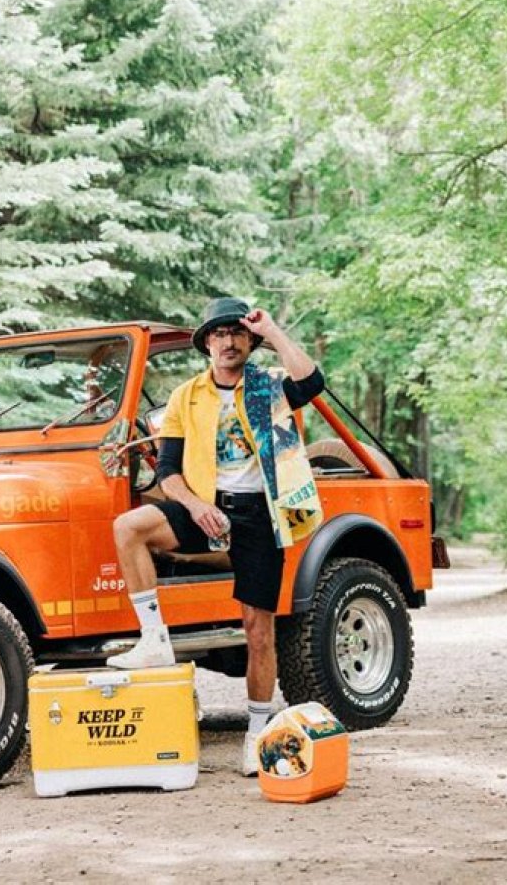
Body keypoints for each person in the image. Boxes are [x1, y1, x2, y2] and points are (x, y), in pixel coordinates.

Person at [107, 297, 325, 776]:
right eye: (219, 334)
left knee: (258, 632)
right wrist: (196, 506)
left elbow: (312, 382)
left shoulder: (269, 385)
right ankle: (153, 639)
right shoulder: (187, 396)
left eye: (237, 333)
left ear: (249, 341)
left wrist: (273, 330)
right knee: (129, 527)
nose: (228, 342)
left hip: (260, 514)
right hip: (204, 507)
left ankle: (257, 737)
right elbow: (167, 471)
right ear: (207, 343)